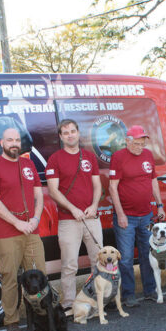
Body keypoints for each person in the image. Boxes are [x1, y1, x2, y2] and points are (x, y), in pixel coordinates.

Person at [0, 127, 46, 331]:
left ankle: (42, 315)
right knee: (10, 277)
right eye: (10, 140)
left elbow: (39, 196)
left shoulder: (28, 164)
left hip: (31, 230)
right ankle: (12, 320)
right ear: (2, 143)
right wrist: (17, 223)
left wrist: (35, 219)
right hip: (6, 233)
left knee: (39, 274)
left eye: (17, 140)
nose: (14, 144)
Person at [46, 119, 103, 316]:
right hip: (68, 220)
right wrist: (72, 209)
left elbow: (97, 186)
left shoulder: (89, 157)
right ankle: (69, 303)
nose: (70, 135)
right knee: (70, 265)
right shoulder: (55, 159)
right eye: (66, 133)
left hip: (91, 218)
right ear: (61, 137)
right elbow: (53, 191)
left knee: (99, 261)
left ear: (78, 133)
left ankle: (97, 300)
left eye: (73, 131)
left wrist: (94, 206)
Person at [109, 125, 165, 307]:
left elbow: (153, 181)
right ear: (127, 141)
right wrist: (120, 214)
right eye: (137, 143)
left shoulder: (148, 155)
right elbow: (112, 188)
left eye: (142, 143)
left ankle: (149, 290)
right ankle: (128, 294)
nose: (140, 147)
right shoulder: (118, 158)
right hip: (127, 216)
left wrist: (160, 205)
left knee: (147, 254)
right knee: (125, 258)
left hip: (146, 215)